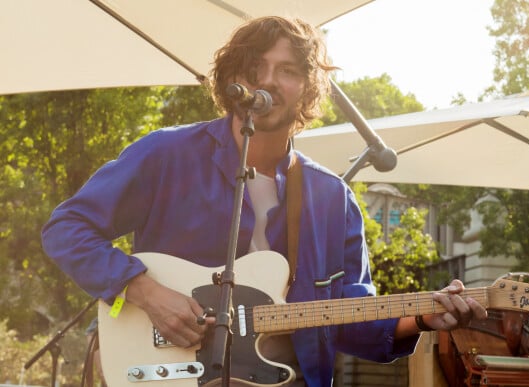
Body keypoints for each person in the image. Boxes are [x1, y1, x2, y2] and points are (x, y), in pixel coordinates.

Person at [41, 16, 487, 386]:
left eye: (289, 70)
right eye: (256, 67)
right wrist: (144, 290)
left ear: (308, 88)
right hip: (166, 371)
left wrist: (426, 317)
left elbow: (355, 322)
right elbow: (66, 229)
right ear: (234, 77)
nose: (269, 80)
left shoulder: (333, 200)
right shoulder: (167, 154)